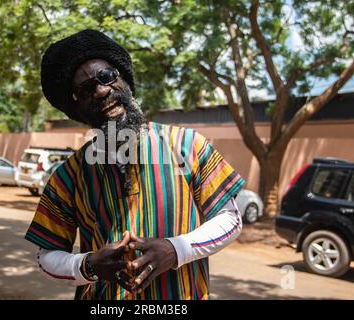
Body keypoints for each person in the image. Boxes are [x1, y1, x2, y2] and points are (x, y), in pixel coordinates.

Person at [25, 29, 246, 300]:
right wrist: (89, 265)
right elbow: (46, 256)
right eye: (86, 89)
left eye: (107, 76)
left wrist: (177, 249)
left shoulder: (188, 146)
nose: (101, 90)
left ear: (125, 80)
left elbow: (230, 219)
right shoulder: (69, 176)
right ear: (78, 107)